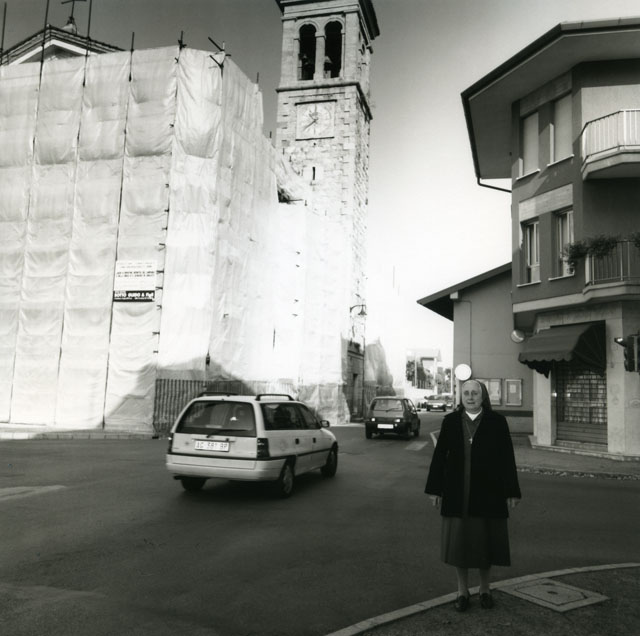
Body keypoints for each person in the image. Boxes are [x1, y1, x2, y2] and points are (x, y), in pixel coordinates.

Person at [424, 379, 521, 612]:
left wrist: (512, 491)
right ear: (461, 397)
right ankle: (462, 591)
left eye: (474, 393)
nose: (470, 397)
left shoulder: (497, 422)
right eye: (466, 393)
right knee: (460, 545)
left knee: (485, 543)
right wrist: (435, 489)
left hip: (488, 491)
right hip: (458, 491)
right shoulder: (450, 421)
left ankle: (485, 589)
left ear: (482, 396)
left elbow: (507, 457)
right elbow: (440, 457)